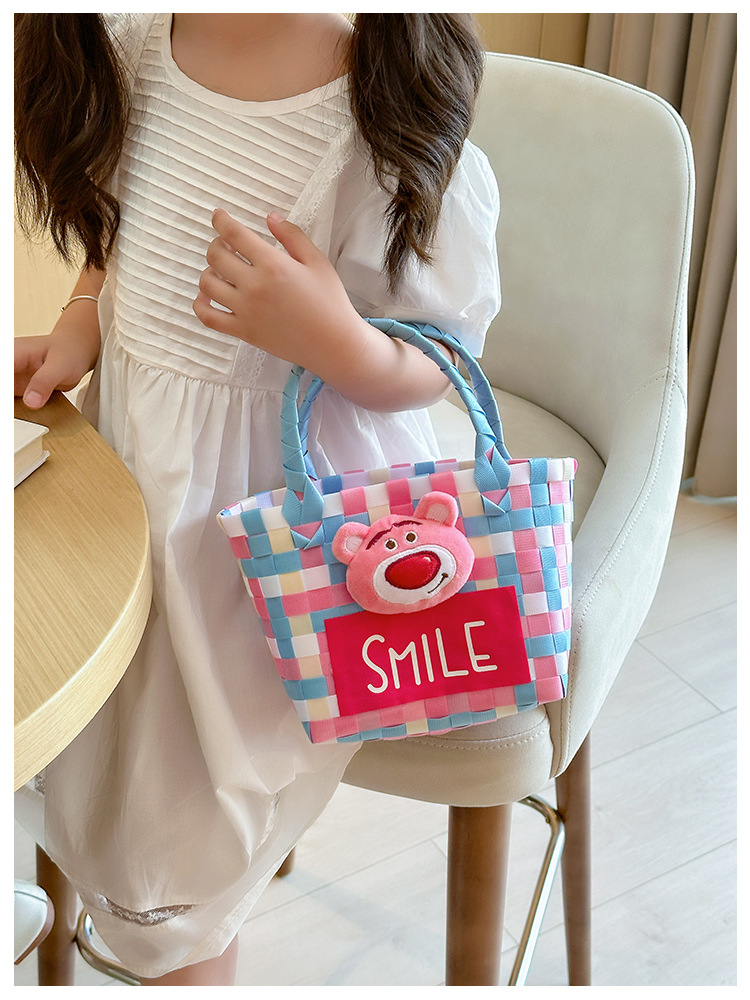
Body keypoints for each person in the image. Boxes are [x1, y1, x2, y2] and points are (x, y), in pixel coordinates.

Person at [14, 13, 500, 986]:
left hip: (271, 525)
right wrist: (82, 322)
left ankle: (175, 935)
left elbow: (442, 356)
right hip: (131, 471)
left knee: (181, 840)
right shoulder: (137, 49)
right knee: (77, 707)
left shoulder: (378, 101)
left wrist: (333, 338)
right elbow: (120, 232)